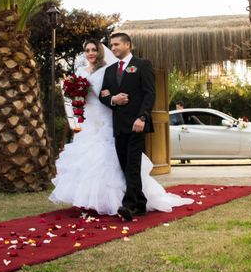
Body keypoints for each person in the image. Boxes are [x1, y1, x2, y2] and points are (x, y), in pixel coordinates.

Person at [49, 38, 192, 216]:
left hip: (135, 122)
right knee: (124, 164)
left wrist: (142, 117)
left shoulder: (142, 65)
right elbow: (104, 96)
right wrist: (111, 99)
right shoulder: (110, 70)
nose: (113, 47)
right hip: (114, 123)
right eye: (88, 50)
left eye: (116, 44)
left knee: (132, 164)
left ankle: (129, 204)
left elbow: (149, 94)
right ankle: (136, 202)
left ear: (128, 45)